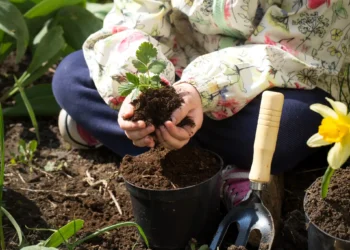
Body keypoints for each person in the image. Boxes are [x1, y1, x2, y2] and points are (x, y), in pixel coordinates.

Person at [52, 0, 350, 211]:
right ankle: (219, 164)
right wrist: (148, 88)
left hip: (275, 77)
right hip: (178, 65)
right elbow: (134, 16)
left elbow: (294, 54)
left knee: (290, 125)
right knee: (71, 76)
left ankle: (125, 134)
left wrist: (202, 88)